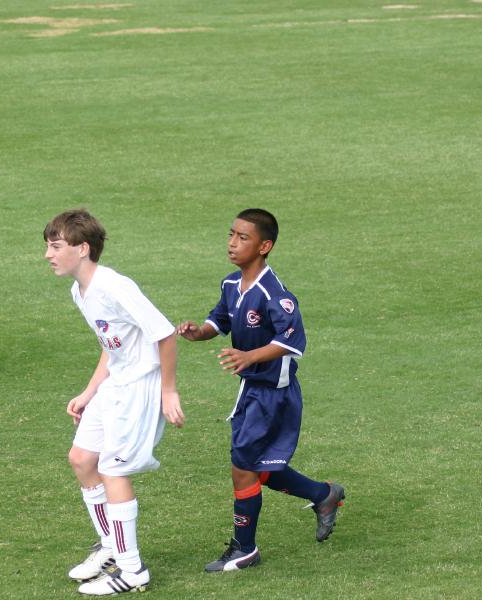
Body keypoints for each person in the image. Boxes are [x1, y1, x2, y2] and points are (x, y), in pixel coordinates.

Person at [176, 208, 345, 572]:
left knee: (243, 467)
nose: (233, 243)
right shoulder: (230, 285)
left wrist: (250, 356)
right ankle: (323, 495)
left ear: (265, 246)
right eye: (231, 235)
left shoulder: (276, 294)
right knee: (256, 468)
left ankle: (245, 549)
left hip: (274, 393)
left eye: (243, 238)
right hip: (252, 390)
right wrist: (197, 333)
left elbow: (292, 340)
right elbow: (217, 322)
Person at [44, 209, 185, 595]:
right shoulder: (80, 290)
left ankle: (131, 570)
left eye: (56, 247)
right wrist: (89, 393)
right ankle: (111, 546)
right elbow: (112, 344)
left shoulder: (114, 287)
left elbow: (165, 333)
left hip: (140, 386)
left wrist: (168, 391)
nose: (48, 255)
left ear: (83, 248)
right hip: (115, 384)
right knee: (81, 459)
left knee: (112, 469)